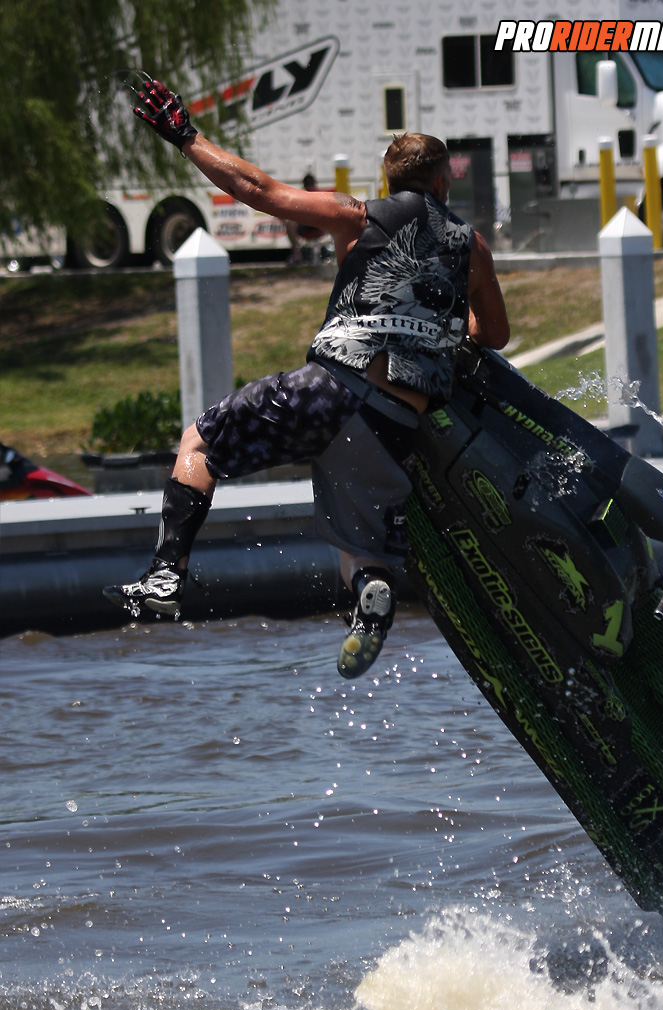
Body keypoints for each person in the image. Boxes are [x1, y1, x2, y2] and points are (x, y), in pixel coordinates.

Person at [104, 77, 509, 678]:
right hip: (395, 421)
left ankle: (166, 575)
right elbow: (494, 333)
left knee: (200, 442)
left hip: (332, 387)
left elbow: (257, 189)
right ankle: (370, 596)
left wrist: (184, 134)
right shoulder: (471, 246)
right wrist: (441, 325)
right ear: (444, 181)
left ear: (388, 182)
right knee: (357, 546)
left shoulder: (357, 216)